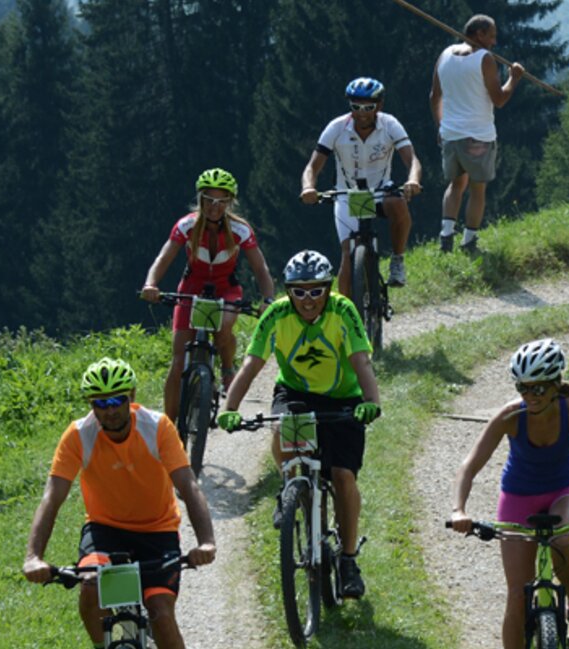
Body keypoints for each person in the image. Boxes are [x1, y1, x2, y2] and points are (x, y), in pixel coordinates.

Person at [445, 339, 569, 649]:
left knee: (562, 540)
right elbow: (469, 466)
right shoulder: (511, 416)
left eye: (538, 389)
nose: (530, 396)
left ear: (555, 385)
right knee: (517, 596)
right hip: (518, 498)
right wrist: (459, 510)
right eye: (523, 388)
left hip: (565, 490)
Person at [217, 250, 383, 597]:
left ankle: (349, 559)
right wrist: (229, 407)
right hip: (296, 392)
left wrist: (371, 402)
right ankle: (289, 487)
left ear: (327, 288)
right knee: (281, 428)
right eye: (299, 291)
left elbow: (361, 361)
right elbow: (251, 363)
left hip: (344, 398)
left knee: (342, 476)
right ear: (289, 291)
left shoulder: (343, 310)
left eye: (316, 291)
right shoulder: (277, 314)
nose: (308, 300)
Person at [21, 358, 218, 649]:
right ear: (91, 404)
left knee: (161, 612)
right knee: (90, 588)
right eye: (100, 403)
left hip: (158, 530)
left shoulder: (157, 427)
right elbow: (52, 498)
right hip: (104, 530)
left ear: (132, 397)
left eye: (117, 400)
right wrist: (33, 556)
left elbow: (188, 485)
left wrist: (206, 542)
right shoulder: (78, 435)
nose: (110, 410)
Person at [140, 168, 276, 422]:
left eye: (221, 201)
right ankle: (170, 430)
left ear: (230, 202)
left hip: (227, 288)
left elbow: (261, 268)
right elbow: (164, 257)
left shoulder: (240, 229)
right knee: (179, 358)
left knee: (224, 328)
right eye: (209, 200)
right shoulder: (187, 226)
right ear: (200, 200)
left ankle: (226, 369)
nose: (214, 207)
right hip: (191, 287)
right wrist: (151, 284)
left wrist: (267, 300)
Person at [300, 77, 425, 290]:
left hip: (380, 192)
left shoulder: (390, 124)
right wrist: (308, 188)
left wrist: (413, 180)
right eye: (355, 107)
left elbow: (412, 159)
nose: (362, 112)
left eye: (369, 107)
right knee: (348, 255)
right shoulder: (337, 127)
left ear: (379, 106)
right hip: (349, 196)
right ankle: (348, 317)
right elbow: (312, 166)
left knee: (398, 202)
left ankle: (397, 260)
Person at [431, 13, 525, 253]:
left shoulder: (445, 55)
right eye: (491, 36)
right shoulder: (485, 58)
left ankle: (446, 237)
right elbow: (499, 99)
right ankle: (469, 241)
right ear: (479, 34)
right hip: (478, 136)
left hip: (451, 134)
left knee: (455, 185)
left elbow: (434, 97)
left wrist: (441, 126)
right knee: (477, 189)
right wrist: (513, 79)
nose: (494, 42)